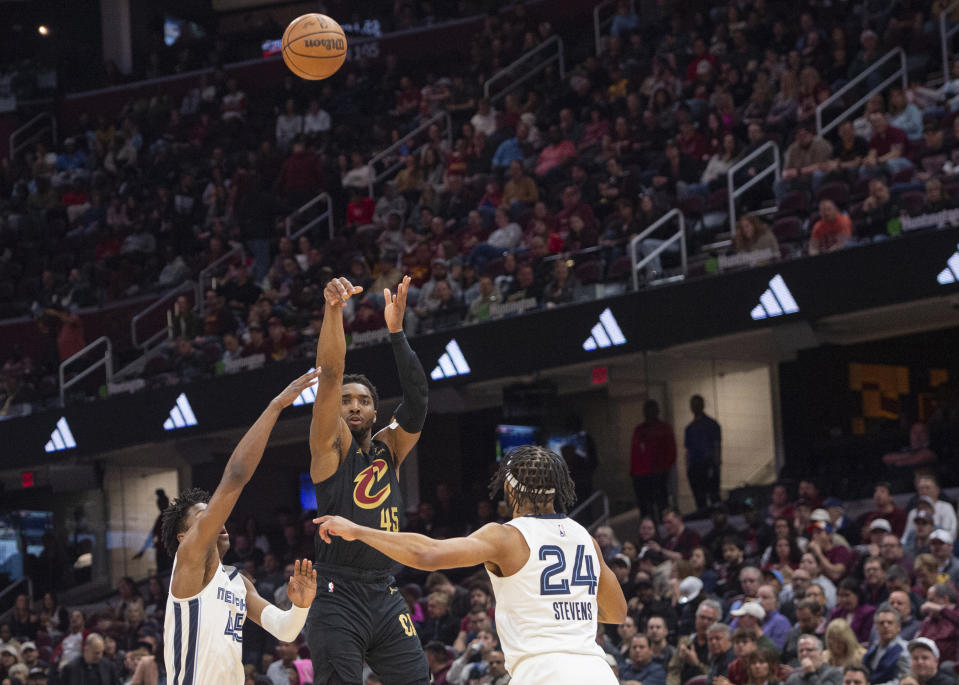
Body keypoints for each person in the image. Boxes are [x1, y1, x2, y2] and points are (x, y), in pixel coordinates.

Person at [315, 444, 628, 684]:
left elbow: (428, 554)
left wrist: (358, 530)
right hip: (598, 672)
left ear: (510, 487)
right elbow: (616, 612)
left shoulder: (506, 537)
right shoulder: (585, 538)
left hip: (543, 673)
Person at [306, 275, 432, 684]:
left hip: (384, 588)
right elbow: (330, 372)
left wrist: (396, 332)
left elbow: (418, 400)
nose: (354, 407)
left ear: (377, 413)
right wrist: (333, 311)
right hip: (336, 592)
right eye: (346, 401)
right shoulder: (328, 449)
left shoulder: (389, 448)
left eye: (363, 401)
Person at [159, 369, 321, 684]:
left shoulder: (237, 581)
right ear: (183, 537)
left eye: (214, 513)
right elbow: (235, 476)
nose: (217, 520)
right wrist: (275, 406)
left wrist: (300, 606)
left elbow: (285, 629)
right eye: (203, 517)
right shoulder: (189, 562)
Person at [630, 399, 677, 522]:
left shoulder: (664, 428)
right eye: (646, 410)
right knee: (645, 506)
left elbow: (671, 451)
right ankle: (647, 530)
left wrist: (664, 469)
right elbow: (635, 452)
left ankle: (664, 527)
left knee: (661, 503)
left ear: (657, 411)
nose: (649, 412)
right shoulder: (639, 430)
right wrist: (633, 472)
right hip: (640, 474)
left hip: (658, 472)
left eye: (652, 409)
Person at [685, 395, 722, 512]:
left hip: (708, 464)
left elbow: (717, 444)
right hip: (695, 466)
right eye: (693, 405)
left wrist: (716, 463)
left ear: (702, 405)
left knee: (713, 495)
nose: (695, 407)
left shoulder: (711, 424)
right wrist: (688, 467)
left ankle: (716, 517)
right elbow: (688, 449)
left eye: (697, 404)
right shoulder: (689, 428)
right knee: (699, 497)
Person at [864, 603, 911, 685]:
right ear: (876, 628)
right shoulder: (873, 649)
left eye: (890, 623)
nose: (885, 626)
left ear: (898, 627)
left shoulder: (905, 649)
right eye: (881, 623)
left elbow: (905, 680)